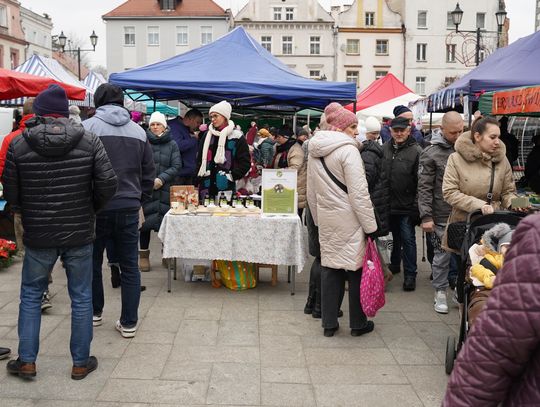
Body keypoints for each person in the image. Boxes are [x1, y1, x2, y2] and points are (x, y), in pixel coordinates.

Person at [3, 84, 117, 380]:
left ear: (38, 114)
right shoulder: (89, 140)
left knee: (30, 294)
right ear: (65, 113)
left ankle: (26, 360)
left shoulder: (19, 144)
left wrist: (23, 211)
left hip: (39, 232)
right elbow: (108, 184)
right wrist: (90, 208)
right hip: (78, 231)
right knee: (81, 297)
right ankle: (80, 362)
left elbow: (11, 191)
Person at [443, 213, 540, 406]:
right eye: (505, 247)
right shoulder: (489, 258)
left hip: (507, 298)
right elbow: (476, 271)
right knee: (481, 310)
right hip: (486, 291)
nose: (509, 250)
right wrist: (491, 279)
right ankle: (478, 329)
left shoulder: (524, 253)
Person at [83, 83, 155, 339]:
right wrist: (139, 198)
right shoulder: (139, 131)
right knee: (129, 265)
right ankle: (129, 322)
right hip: (128, 205)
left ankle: (94, 313)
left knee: (92, 262)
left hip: (95, 207)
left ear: (98, 101)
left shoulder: (87, 128)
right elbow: (149, 172)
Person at [307, 102, 377, 337]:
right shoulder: (349, 151)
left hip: (327, 217)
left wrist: (317, 220)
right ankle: (358, 324)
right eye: (353, 126)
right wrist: (371, 226)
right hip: (350, 218)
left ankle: (329, 324)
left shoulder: (314, 149)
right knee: (355, 269)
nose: (357, 131)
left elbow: (310, 191)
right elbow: (359, 194)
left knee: (330, 269)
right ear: (341, 127)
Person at [442, 116, 517, 253]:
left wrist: (515, 203)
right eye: (492, 137)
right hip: (466, 224)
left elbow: (508, 191)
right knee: (466, 267)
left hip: (494, 225)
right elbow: (449, 192)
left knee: (492, 267)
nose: (497, 142)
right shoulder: (456, 159)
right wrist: (479, 205)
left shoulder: (502, 160)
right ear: (477, 136)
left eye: (498, 137)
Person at [418, 111, 464, 313]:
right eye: (453, 132)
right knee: (442, 255)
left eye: (461, 130)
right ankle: (440, 292)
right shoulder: (431, 153)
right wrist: (426, 216)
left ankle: (461, 291)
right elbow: (424, 187)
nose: (458, 135)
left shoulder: (467, 149)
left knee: (466, 255)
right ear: (442, 129)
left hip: (464, 211)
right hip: (441, 213)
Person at [382, 116, 422, 291]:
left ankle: (410, 274)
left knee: (408, 239)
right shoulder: (384, 148)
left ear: (408, 131)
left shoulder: (416, 151)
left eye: (402, 130)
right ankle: (394, 264)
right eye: (395, 130)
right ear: (390, 131)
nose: (398, 133)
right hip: (388, 203)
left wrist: (416, 206)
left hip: (407, 205)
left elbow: (421, 182)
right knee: (394, 237)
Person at [139, 112, 181, 272]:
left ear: (164, 126)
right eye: (152, 124)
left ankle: (166, 255)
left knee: (167, 224)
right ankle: (143, 256)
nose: (155, 127)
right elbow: (138, 164)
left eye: (158, 124)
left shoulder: (172, 144)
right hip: (147, 190)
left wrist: (161, 179)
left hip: (165, 189)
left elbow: (176, 166)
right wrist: (149, 180)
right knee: (144, 225)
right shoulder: (143, 142)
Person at [196, 101, 250, 201]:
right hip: (206, 186)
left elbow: (245, 163)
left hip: (225, 187)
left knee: (224, 213)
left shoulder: (236, 136)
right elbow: (199, 159)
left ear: (225, 116)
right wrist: (197, 179)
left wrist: (231, 176)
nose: (212, 119)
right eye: (211, 116)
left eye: (216, 116)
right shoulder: (207, 135)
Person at [167, 109, 203, 185]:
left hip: (188, 172)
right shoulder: (174, 126)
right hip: (179, 174)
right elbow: (177, 146)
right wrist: (194, 139)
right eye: (197, 122)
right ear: (190, 119)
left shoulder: (187, 129)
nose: (198, 125)